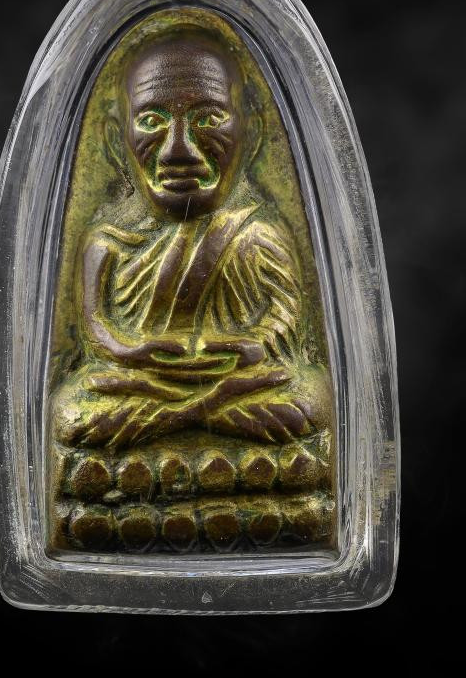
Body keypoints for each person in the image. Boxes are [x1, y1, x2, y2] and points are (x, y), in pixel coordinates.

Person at [51, 25, 332, 451]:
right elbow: (98, 333)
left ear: (252, 134)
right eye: (152, 122)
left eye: (209, 120)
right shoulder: (106, 243)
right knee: (72, 410)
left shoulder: (257, 235)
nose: (178, 151)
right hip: (145, 382)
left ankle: (176, 420)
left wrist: (248, 349)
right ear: (115, 140)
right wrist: (134, 353)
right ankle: (200, 416)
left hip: (237, 381)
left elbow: (284, 320)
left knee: (311, 400)